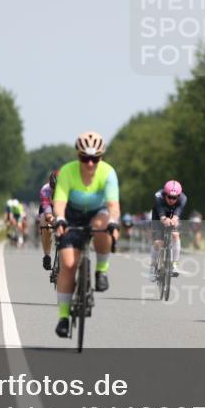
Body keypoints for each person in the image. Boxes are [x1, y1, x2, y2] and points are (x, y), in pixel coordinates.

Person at [53, 132, 120, 338]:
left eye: (95, 158)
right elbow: (60, 201)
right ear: (78, 156)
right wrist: (60, 219)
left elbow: (112, 204)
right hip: (72, 216)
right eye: (85, 158)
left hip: (97, 212)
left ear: (101, 158)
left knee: (103, 224)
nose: (90, 164)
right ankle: (63, 317)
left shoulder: (108, 172)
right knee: (69, 265)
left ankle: (101, 270)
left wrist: (113, 222)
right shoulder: (67, 171)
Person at [150, 180, 186, 281]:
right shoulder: (158, 196)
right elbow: (161, 216)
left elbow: (177, 214)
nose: (171, 200)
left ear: (178, 196)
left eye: (174, 198)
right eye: (169, 197)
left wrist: (174, 220)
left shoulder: (183, 198)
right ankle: (152, 268)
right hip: (158, 215)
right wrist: (164, 219)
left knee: (175, 235)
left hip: (172, 214)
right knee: (158, 243)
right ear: (165, 194)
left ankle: (174, 264)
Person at [38, 169, 59, 270]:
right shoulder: (45, 190)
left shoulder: (71, 189)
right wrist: (52, 219)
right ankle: (47, 255)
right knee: (46, 226)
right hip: (48, 210)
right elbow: (47, 211)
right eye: (54, 189)